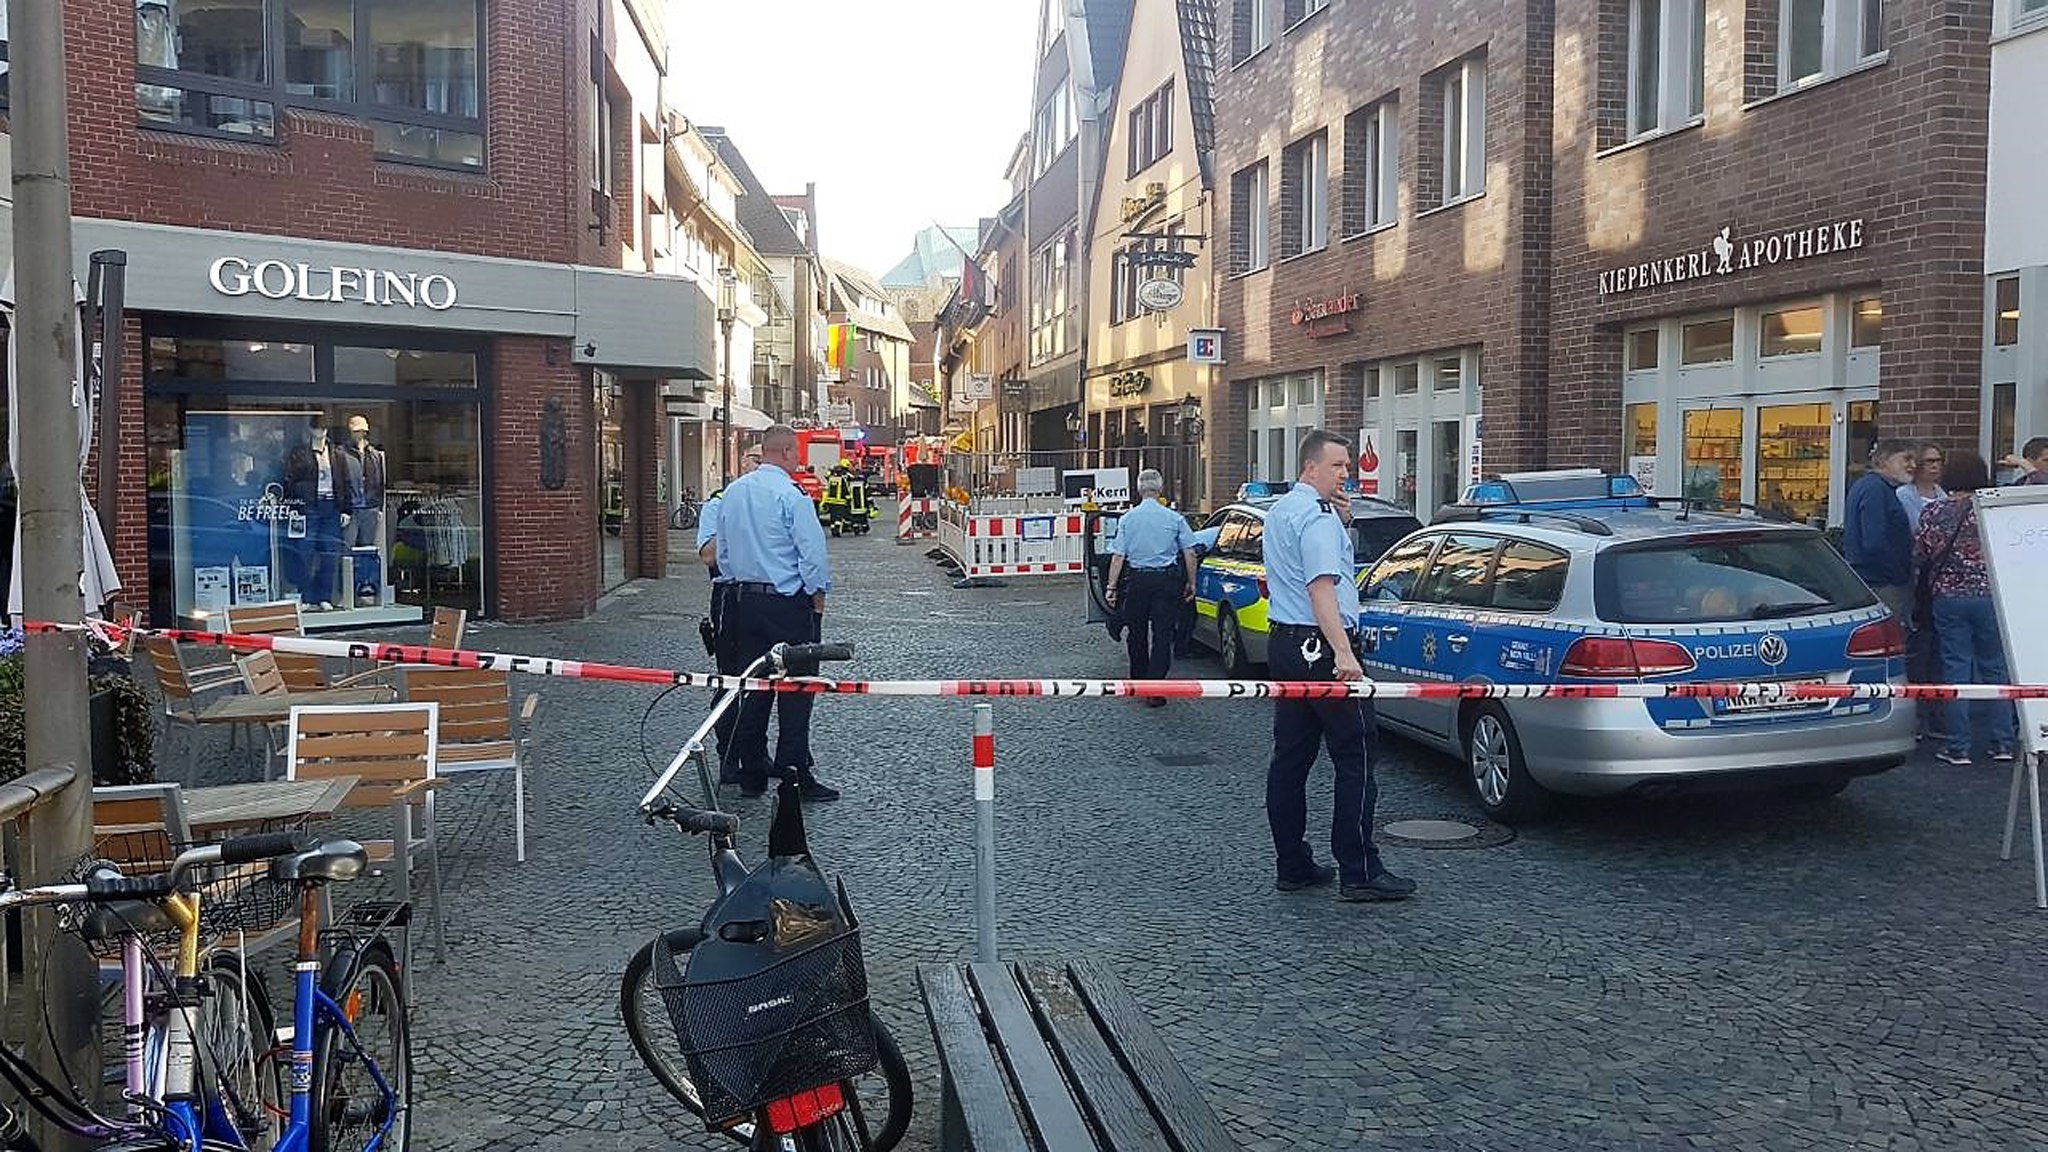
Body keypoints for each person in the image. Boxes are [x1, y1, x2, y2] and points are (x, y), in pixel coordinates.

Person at [1263, 430, 1414, 903]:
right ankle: (1360, 869)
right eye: (1339, 466)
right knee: (1357, 754)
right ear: (1312, 467)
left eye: (1347, 466)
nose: (1347, 474)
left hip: (1286, 644)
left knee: (1291, 757)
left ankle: (1293, 863)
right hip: (1324, 647)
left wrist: (1342, 523)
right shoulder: (1318, 518)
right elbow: (1322, 588)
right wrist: (1344, 655)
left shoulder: (1284, 510)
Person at [715, 425, 841, 801]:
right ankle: (794, 774)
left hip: (742, 602)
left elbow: (722, 553)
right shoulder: (792, 495)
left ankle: (752, 772)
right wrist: (817, 596)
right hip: (786, 605)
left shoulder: (732, 494)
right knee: (797, 690)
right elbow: (812, 555)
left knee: (752, 687)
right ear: (786, 452)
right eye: (796, 453)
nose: (798, 460)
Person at [1913, 451, 2018, 767]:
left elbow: (1921, 554)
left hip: (1949, 597)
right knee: (1996, 668)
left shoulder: (1935, 511)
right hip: (1991, 595)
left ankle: (1958, 746)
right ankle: (2003, 742)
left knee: (1955, 667)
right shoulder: (1993, 509)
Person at [1102, 470, 1197, 702]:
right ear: (1160, 489)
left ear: (1139, 490)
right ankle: (1155, 687)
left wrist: (1111, 587)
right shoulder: (1174, 518)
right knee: (1163, 635)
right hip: (1165, 581)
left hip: (1138, 581)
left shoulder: (1128, 519)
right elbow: (1190, 552)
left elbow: (1118, 556)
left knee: (1137, 633)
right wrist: (1191, 582)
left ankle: (1139, 680)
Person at [697, 445, 763, 776]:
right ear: (743, 466)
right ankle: (729, 755)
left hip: (766, 597)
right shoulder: (718, 503)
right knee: (730, 678)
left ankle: (756, 754)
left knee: (763, 680)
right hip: (729, 596)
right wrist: (738, 524)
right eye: (756, 463)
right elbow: (708, 555)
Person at [281, 414, 354, 610]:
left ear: (327, 431)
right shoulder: (300, 454)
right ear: (310, 431)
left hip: (331, 507)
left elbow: (345, 483)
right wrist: (293, 506)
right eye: (316, 428)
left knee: (330, 554)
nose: (320, 432)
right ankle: (306, 596)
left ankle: (324, 597)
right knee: (305, 552)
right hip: (308, 508)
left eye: (322, 429)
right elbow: (290, 480)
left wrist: (346, 509)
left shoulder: (337, 455)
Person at [1843, 438, 1917, 620]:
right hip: (1882, 584)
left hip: (1876, 579)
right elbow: (1874, 542)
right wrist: (1899, 575)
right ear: (1884, 461)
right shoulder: (1876, 490)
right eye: (1906, 459)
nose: (1913, 465)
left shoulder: (1871, 487)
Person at [1897, 441, 1946, 531]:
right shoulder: (1904, 494)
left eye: (1938, 461)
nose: (1935, 465)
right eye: (1929, 461)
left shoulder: (1941, 493)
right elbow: (1916, 526)